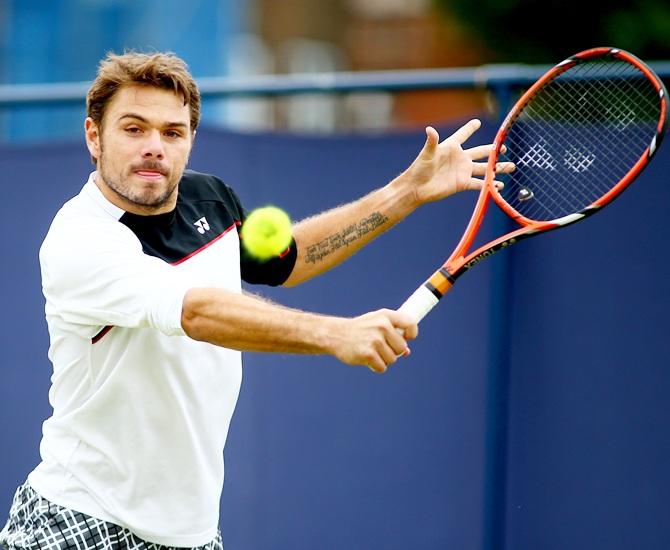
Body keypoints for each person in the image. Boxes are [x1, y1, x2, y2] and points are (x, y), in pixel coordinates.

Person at [0, 51, 511, 549]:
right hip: (78, 521)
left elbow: (290, 259)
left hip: (191, 535)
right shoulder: (79, 239)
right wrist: (337, 333)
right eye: (134, 129)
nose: (154, 146)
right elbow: (195, 310)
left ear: (190, 141)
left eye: (172, 132)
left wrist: (406, 192)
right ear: (95, 136)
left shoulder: (211, 199)